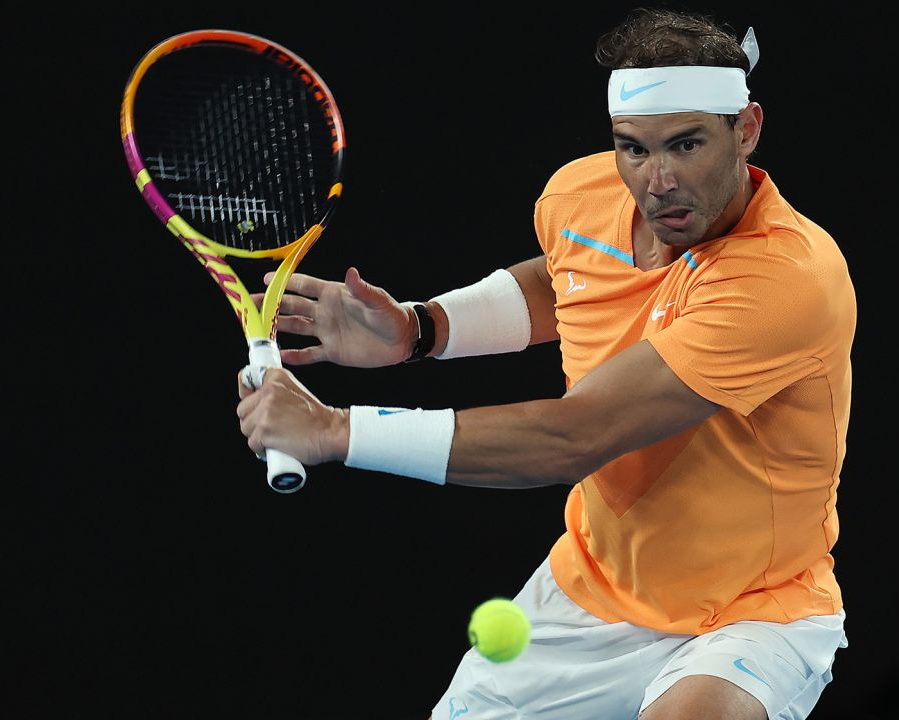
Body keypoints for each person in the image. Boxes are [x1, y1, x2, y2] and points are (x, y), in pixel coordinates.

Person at [235, 7, 856, 719]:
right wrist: (420, 327)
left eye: (686, 145)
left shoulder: (784, 279)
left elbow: (576, 435)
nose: (658, 181)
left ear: (745, 128)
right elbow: (565, 277)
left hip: (753, 610)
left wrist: (339, 430)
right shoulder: (581, 195)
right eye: (634, 148)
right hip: (587, 590)